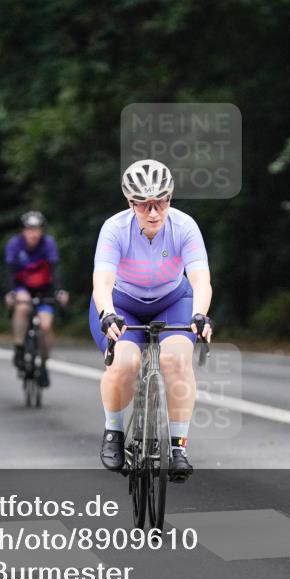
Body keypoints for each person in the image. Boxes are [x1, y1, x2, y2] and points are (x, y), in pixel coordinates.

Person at [90, 159, 213, 482]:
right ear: (130, 203)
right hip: (121, 304)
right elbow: (102, 282)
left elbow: (200, 280)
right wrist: (107, 314)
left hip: (173, 301)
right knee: (125, 364)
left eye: (162, 202)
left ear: (170, 199)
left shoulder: (184, 227)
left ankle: (178, 447)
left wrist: (200, 314)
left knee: (175, 360)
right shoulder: (114, 229)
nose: (154, 211)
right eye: (144, 205)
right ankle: (114, 431)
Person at [4, 211, 69, 386]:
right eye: (29, 229)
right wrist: (10, 293)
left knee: (45, 326)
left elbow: (55, 269)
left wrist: (60, 291)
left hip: (44, 289)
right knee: (22, 306)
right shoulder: (15, 245)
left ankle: (44, 363)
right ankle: (19, 348)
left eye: (37, 229)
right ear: (23, 231)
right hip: (22, 287)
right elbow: (9, 272)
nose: (33, 233)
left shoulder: (48, 244)